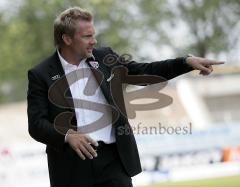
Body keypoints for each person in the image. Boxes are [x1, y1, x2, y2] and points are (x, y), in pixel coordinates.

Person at [27, 6, 224, 187]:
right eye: (87, 36)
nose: (94, 41)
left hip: (113, 161)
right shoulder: (41, 73)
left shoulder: (105, 57)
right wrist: (67, 135)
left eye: (93, 35)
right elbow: (36, 124)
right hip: (71, 167)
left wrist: (186, 62)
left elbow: (144, 71)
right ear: (67, 39)